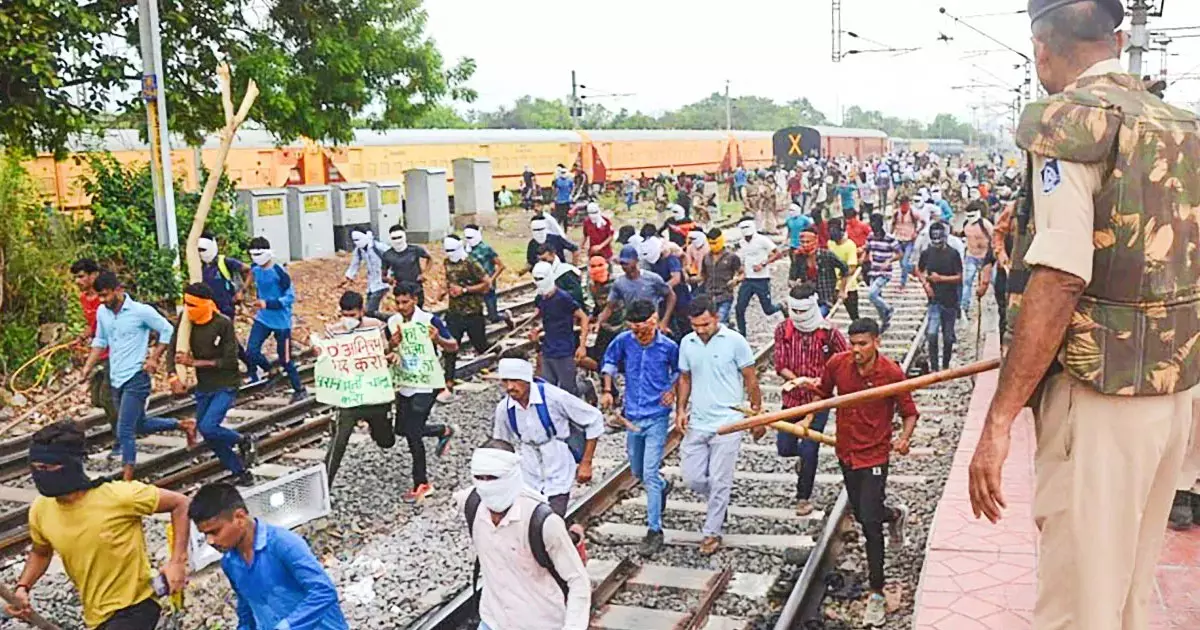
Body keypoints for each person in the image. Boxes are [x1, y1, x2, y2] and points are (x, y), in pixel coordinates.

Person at [968, 4, 1200, 629]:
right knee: (1124, 599)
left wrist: (999, 418)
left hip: (1100, 401)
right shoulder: (1179, 124)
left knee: (1077, 609)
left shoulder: (1069, 124)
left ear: (1041, 50)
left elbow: (1061, 273)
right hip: (1174, 397)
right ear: (1119, 40)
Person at [7, 421, 192, 629]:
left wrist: (177, 561)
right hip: (95, 616)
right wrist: (23, 587)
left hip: (137, 606)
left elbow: (180, 503)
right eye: (35, 468)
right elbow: (41, 552)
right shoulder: (41, 510)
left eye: (46, 467)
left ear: (69, 465)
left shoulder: (118, 496)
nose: (39, 474)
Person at [797, 317, 917, 627]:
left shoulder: (891, 373)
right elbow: (823, 393)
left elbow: (909, 412)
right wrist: (808, 419)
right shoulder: (839, 364)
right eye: (853, 343)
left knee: (870, 526)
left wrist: (903, 439)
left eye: (863, 344)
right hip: (846, 452)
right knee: (866, 514)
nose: (856, 350)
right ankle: (894, 513)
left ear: (876, 341)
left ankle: (876, 592)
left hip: (875, 454)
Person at [77, 271, 196, 482]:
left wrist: (154, 358)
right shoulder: (103, 313)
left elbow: (167, 330)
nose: (102, 301)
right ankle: (183, 425)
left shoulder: (141, 311)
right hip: (116, 376)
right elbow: (100, 341)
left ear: (118, 290)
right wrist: (87, 367)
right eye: (99, 297)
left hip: (137, 376)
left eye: (105, 295)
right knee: (138, 425)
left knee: (124, 429)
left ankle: (127, 479)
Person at [461, 440, 591, 630]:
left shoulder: (542, 522)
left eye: (494, 477)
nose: (487, 485)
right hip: (492, 621)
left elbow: (578, 581)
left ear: (513, 474)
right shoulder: (471, 505)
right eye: (480, 478)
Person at [188, 483, 348, 629]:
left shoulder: (283, 543)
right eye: (205, 535)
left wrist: (287, 626)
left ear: (240, 518)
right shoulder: (230, 562)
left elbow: (324, 592)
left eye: (215, 532)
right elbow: (247, 607)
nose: (210, 541)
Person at [675, 297, 764, 555]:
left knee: (719, 479)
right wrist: (681, 409)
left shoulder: (735, 342)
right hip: (699, 422)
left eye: (705, 324)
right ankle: (719, 505)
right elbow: (685, 378)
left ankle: (711, 532)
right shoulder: (687, 343)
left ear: (716, 317)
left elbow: (750, 379)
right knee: (693, 478)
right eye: (695, 326)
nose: (700, 330)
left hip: (729, 423)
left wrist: (756, 414)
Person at [599, 300, 680, 557]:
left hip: (657, 415)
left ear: (654, 321)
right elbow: (609, 360)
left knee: (648, 470)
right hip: (632, 415)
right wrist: (607, 389)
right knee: (638, 470)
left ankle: (654, 530)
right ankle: (662, 484)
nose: (639, 335)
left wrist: (672, 389)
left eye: (643, 329)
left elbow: (680, 371)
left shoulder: (668, 346)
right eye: (635, 330)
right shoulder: (624, 341)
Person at [492, 352, 605, 516]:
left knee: (551, 519)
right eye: (505, 381)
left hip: (557, 468)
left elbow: (593, 418)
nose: (510, 387)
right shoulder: (505, 409)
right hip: (528, 471)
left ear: (526, 379)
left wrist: (586, 463)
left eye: (515, 380)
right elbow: (501, 444)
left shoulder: (553, 397)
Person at [167, 283, 254, 485]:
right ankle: (240, 471)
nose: (189, 309)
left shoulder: (222, 323)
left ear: (206, 304)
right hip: (204, 386)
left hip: (226, 383)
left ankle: (242, 439)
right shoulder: (185, 321)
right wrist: (173, 375)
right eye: (186, 304)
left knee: (207, 426)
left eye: (193, 304)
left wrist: (194, 363)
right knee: (210, 436)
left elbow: (230, 361)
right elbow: (173, 349)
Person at [775, 284, 849, 515]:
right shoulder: (782, 330)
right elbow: (780, 365)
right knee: (784, 447)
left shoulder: (829, 333)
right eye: (794, 311)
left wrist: (823, 381)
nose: (798, 316)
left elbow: (844, 361)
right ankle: (802, 463)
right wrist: (799, 380)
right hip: (792, 397)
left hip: (820, 400)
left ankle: (803, 496)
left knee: (809, 447)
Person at [385, 282, 458, 503]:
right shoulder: (393, 322)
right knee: (401, 429)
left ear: (414, 300)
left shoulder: (429, 321)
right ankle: (442, 431)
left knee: (413, 433)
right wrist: (391, 344)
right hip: (406, 382)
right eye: (397, 302)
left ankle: (422, 482)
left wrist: (437, 339)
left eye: (405, 302)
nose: (400, 306)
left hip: (427, 383)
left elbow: (453, 346)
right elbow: (387, 350)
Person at [321, 291, 396, 485]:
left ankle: (376, 427)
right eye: (345, 315)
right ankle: (325, 487)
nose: (349, 319)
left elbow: (384, 350)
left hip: (374, 394)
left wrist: (388, 356)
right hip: (349, 397)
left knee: (386, 440)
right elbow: (326, 357)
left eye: (352, 315)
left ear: (361, 311)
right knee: (338, 443)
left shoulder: (375, 327)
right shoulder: (333, 331)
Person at [244, 237, 306, 402]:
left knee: (285, 359)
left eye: (258, 253)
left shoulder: (279, 271)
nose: (256, 257)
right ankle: (271, 370)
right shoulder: (256, 269)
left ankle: (299, 389)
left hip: (281, 322)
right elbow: (250, 273)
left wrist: (269, 303)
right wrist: (243, 291)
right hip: (263, 318)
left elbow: (290, 297)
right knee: (251, 350)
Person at [70, 258, 117, 453]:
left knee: (107, 397)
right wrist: (82, 337)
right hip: (99, 352)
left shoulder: (106, 297)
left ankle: (122, 436)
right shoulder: (84, 299)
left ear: (93, 275)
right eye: (76, 278)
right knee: (97, 399)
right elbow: (94, 325)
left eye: (81, 277)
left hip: (114, 352)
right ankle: (129, 415)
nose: (78, 282)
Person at [441, 234, 492, 401]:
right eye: (447, 251)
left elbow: (486, 284)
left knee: (480, 345)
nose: (450, 254)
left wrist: (465, 290)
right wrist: (446, 291)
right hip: (454, 313)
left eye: (452, 250)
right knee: (451, 347)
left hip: (473, 312)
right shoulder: (447, 263)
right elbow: (449, 281)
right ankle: (448, 381)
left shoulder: (471, 263)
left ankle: (495, 354)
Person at [195, 233, 253, 374]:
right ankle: (241, 366)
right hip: (210, 310)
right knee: (223, 339)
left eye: (203, 250)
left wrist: (242, 291)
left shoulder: (224, 262)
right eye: (199, 250)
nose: (201, 253)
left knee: (227, 338)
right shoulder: (199, 267)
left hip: (226, 307)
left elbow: (249, 270)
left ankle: (248, 365)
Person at [529, 261, 590, 396]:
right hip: (548, 349)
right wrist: (537, 331)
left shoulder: (564, 298)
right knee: (547, 389)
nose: (538, 282)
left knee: (569, 391)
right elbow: (547, 319)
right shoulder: (540, 299)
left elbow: (583, 317)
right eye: (536, 279)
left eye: (541, 278)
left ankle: (586, 385)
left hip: (565, 350)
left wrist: (582, 346)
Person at [594, 245, 675, 336]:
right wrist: (599, 322)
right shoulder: (619, 283)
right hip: (632, 326)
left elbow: (670, 295)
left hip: (651, 324)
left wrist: (664, 321)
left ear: (636, 261)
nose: (624, 266)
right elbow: (609, 307)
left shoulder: (652, 279)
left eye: (627, 263)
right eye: (622, 263)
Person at [916, 222, 963, 371]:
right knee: (932, 334)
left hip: (950, 301)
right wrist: (926, 284)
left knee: (948, 337)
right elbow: (918, 269)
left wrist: (941, 279)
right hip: (934, 301)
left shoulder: (953, 253)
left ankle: (945, 365)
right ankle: (935, 367)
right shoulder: (927, 252)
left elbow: (960, 277)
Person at [734, 217, 785, 337]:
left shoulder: (762, 240)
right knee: (739, 308)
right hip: (748, 280)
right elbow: (743, 258)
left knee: (768, 310)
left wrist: (763, 264)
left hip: (761, 279)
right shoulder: (742, 243)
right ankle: (742, 334)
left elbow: (778, 253)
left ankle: (781, 306)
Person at [639, 235, 692, 339]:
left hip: (680, 296)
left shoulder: (670, 259)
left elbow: (676, 278)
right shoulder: (651, 262)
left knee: (684, 324)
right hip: (664, 299)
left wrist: (662, 288)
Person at [789, 229, 848, 316]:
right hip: (806, 299)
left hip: (825, 299)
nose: (805, 245)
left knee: (818, 316)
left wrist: (842, 290)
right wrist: (795, 284)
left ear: (815, 241)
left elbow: (845, 269)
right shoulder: (799, 258)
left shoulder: (827, 255)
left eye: (808, 242)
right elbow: (791, 279)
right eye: (802, 242)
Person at [581, 257, 623, 372]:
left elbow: (610, 307)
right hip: (604, 326)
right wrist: (592, 317)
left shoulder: (616, 284)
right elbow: (597, 305)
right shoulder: (592, 285)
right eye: (593, 267)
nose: (597, 270)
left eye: (600, 266)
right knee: (599, 355)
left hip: (620, 325)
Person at [864, 214, 902, 331]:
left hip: (884, 273)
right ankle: (885, 321)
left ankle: (889, 309)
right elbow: (867, 250)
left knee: (872, 294)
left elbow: (900, 254)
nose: (873, 226)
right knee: (876, 299)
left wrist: (889, 260)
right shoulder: (870, 237)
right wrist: (864, 261)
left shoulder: (889, 238)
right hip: (873, 271)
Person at [465, 225, 509, 325]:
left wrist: (491, 280)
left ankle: (505, 316)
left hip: (488, 286)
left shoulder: (486, 249)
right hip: (474, 286)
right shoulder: (466, 250)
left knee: (493, 316)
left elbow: (501, 266)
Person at [340, 228, 390, 313]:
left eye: (358, 239)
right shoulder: (359, 250)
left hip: (383, 282)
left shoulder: (378, 247)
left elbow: (393, 255)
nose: (356, 242)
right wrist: (348, 277)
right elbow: (354, 264)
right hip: (371, 284)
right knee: (369, 306)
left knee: (370, 309)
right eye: (354, 240)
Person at [381, 224, 431, 307]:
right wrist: (389, 280)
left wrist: (425, 274)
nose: (397, 241)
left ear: (404, 236)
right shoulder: (387, 255)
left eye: (399, 237)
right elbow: (383, 276)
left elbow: (430, 258)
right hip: (400, 292)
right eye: (394, 238)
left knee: (418, 314)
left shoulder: (415, 250)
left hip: (416, 288)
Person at [958, 201, 994, 313]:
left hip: (986, 257)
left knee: (992, 281)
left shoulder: (986, 224)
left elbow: (994, 238)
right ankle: (964, 306)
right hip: (971, 256)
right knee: (967, 281)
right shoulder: (966, 225)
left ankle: (993, 302)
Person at [826, 222, 861, 320]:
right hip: (832, 285)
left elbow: (852, 268)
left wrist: (842, 279)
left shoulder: (850, 245)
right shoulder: (830, 244)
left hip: (848, 286)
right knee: (828, 312)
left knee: (854, 315)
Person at [889, 196, 925, 290]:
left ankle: (903, 283)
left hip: (909, 240)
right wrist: (890, 235)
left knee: (905, 262)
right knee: (901, 264)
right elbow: (892, 224)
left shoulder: (913, 213)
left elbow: (923, 222)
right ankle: (912, 270)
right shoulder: (896, 213)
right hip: (899, 240)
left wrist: (916, 232)